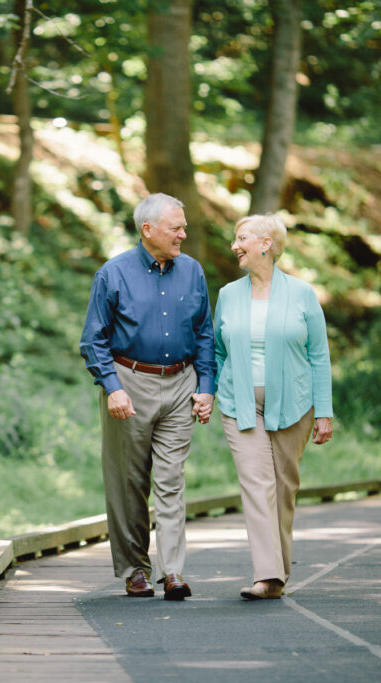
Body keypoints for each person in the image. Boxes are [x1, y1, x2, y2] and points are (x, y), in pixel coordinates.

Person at [79, 193, 216, 601]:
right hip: (129, 382)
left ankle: (172, 571)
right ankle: (135, 568)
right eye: (176, 227)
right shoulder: (113, 273)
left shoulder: (192, 272)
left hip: (180, 384)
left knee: (171, 480)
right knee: (129, 481)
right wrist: (112, 386)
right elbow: (93, 340)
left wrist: (206, 386)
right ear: (148, 229)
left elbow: (205, 332)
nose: (183, 234)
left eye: (183, 227)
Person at [211, 214, 333, 600]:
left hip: (294, 404)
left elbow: (319, 355)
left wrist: (325, 411)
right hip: (240, 403)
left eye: (242, 238)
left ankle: (278, 573)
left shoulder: (301, 294)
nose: (235, 245)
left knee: (283, 489)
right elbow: (216, 351)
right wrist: (208, 392)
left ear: (266, 243)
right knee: (256, 483)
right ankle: (267, 576)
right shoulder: (229, 294)